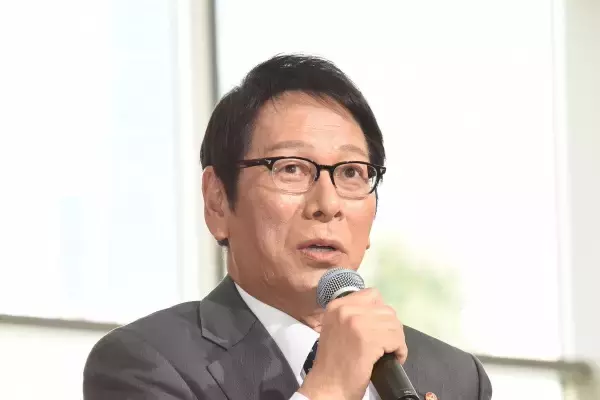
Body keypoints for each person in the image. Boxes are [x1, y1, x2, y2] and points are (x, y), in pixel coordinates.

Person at [83, 54, 492, 400]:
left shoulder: (454, 377)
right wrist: (330, 386)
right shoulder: (144, 364)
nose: (327, 204)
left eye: (351, 172)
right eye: (291, 168)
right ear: (218, 201)